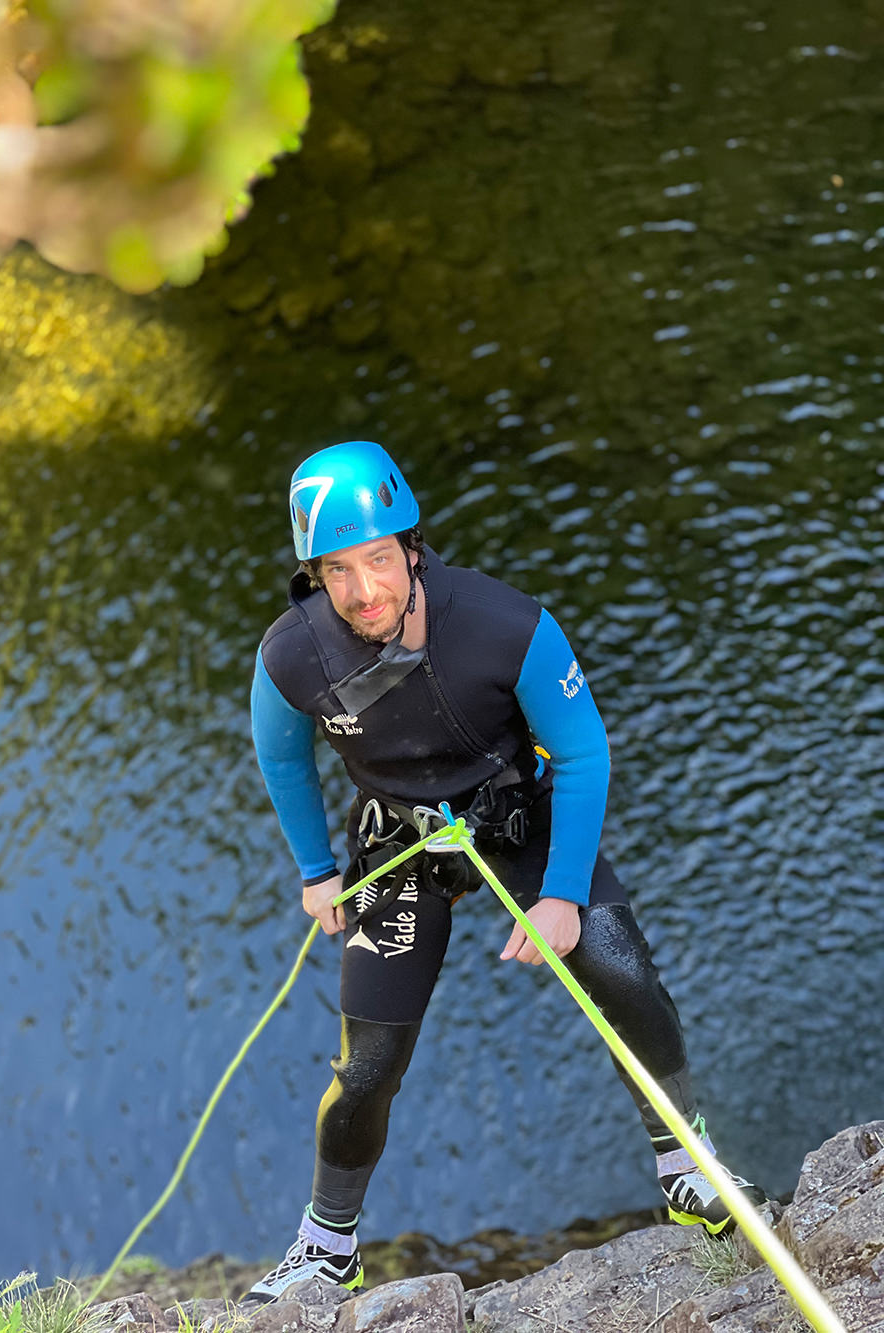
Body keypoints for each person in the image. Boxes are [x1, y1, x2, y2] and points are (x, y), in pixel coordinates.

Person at [247, 440, 763, 1305]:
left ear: (413, 548)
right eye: (337, 570)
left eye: (378, 559)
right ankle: (326, 1244)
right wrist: (316, 867)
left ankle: (686, 1162)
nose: (363, 590)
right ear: (315, 575)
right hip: (399, 840)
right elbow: (282, 758)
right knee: (367, 1063)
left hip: (513, 813)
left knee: (616, 962)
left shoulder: (506, 623)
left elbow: (583, 750)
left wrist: (560, 893)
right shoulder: (292, 655)